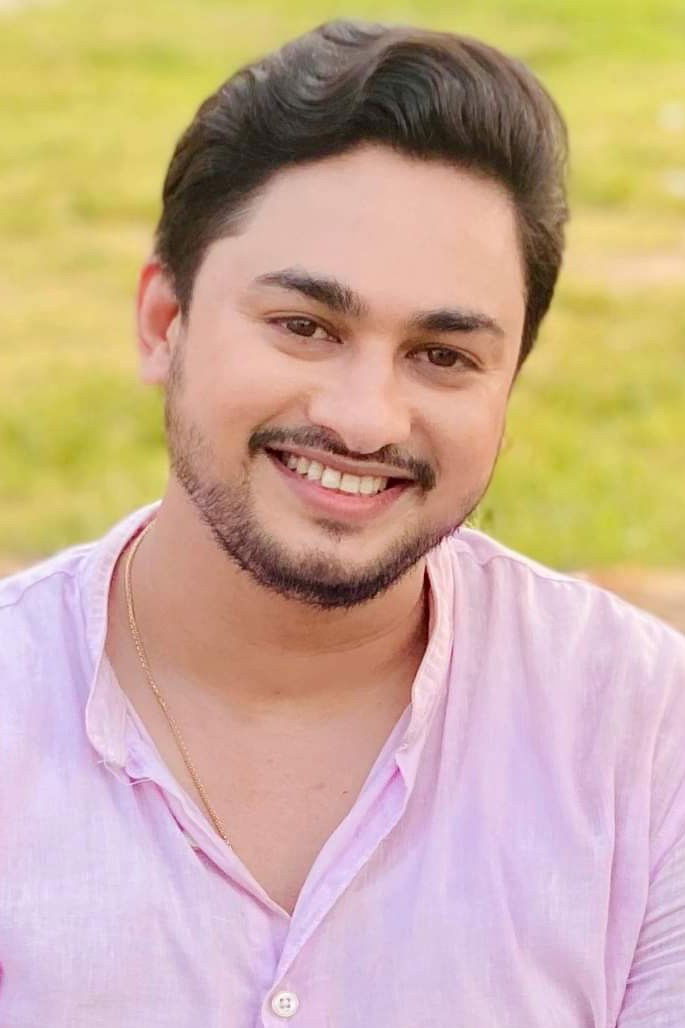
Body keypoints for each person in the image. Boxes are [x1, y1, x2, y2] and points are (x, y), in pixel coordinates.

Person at [1, 18, 683, 1027]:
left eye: (442, 356)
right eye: (304, 327)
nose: (364, 419)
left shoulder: (643, 735)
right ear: (162, 323)